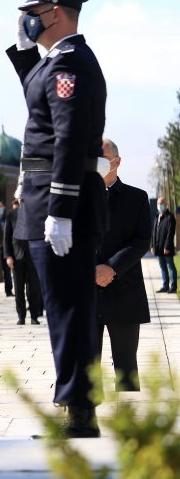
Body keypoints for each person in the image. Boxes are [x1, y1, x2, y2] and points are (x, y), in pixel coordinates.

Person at [6, 0, 108, 437]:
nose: (28, 17)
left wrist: (61, 210)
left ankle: (78, 411)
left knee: (68, 309)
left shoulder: (72, 65)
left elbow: (67, 138)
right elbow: (38, 92)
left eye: (35, 10)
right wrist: (22, 49)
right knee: (65, 307)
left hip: (59, 198)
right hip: (48, 195)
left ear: (57, 13)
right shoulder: (58, 63)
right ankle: (74, 405)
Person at [95, 139, 150, 391]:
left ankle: (130, 426)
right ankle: (82, 422)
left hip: (124, 292)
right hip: (87, 293)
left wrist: (112, 267)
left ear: (116, 162)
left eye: (102, 157)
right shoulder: (76, 199)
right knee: (86, 368)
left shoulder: (136, 198)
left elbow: (141, 241)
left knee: (126, 370)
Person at [4, 199, 42, 325]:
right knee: (18, 288)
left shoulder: (37, 212)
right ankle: (21, 316)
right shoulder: (11, 215)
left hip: (33, 257)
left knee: (34, 288)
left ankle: (34, 316)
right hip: (17, 257)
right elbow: (7, 237)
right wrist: (8, 256)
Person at [151, 196, 176, 293]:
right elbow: (154, 232)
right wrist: (152, 246)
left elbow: (170, 234)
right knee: (163, 267)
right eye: (158, 203)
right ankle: (165, 286)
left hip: (167, 249)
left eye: (161, 203)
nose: (159, 205)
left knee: (170, 267)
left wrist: (167, 246)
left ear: (166, 205)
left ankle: (173, 287)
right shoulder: (157, 217)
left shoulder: (170, 217)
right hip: (158, 248)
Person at [0, 200, 14, 297]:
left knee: (7, 271)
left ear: (4, 207)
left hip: (5, 249)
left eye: (0, 206)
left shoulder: (7, 218)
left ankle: (8, 290)